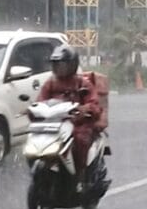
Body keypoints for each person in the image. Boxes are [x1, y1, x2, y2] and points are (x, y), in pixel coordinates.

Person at [36, 44, 102, 190]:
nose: (60, 68)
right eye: (57, 65)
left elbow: (94, 104)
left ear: (72, 65)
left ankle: (81, 176)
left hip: (79, 124)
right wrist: (33, 110)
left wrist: (86, 109)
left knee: (80, 140)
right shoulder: (50, 84)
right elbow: (40, 101)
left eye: (63, 64)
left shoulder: (82, 83)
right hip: (56, 124)